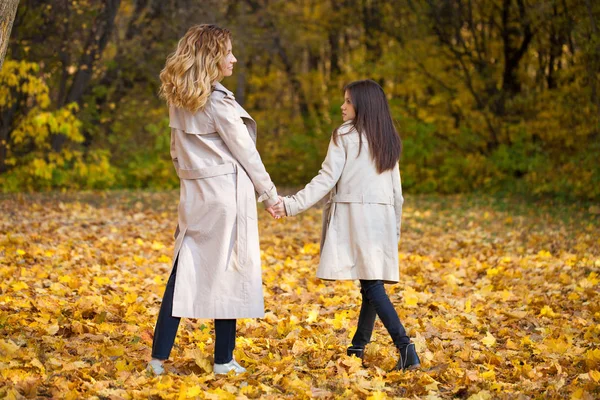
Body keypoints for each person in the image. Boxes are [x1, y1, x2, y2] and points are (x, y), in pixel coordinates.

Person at [147, 24, 280, 376]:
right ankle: (223, 359)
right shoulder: (218, 103)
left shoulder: (180, 99)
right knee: (228, 271)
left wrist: (190, 178)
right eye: (228, 52)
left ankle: (157, 359)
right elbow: (247, 153)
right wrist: (269, 194)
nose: (234, 58)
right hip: (225, 195)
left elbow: (177, 151)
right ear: (212, 57)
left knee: (181, 271)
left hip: (194, 195)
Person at [271, 80, 420, 371]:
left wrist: (291, 205)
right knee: (370, 282)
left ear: (363, 105)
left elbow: (325, 179)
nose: (343, 106)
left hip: (357, 218)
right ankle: (357, 348)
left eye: (348, 101)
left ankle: (406, 347)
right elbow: (397, 194)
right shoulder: (388, 138)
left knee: (373, 285)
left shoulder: (345, 135)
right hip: (382, 220)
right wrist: (395, 231)